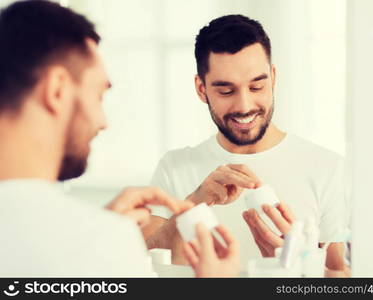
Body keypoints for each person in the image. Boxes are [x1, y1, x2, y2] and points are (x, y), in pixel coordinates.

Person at [0, 0, 239, 277]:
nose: (103, 122)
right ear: (57, 90)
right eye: (98, 95)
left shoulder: (94, 240)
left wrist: (101, 229)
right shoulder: (102, 244)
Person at [144, 14, 350, 276]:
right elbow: (142, 264)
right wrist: (194, 203)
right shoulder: (174, 168)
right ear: (201, 89)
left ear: (273, 78)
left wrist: (297, 266)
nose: (244, 106)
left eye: (256, 86)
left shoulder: (327, 168)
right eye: (226, 91)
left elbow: (345, 279)